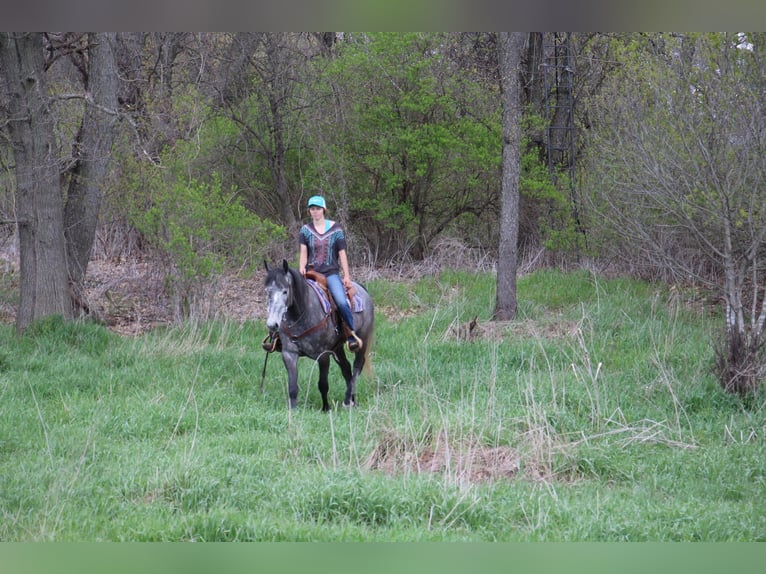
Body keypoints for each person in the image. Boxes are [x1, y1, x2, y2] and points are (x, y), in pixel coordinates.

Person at [298, 195, 363, 351]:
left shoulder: (336, 229)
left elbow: (342, 253)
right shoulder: (305, 230)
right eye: (312, 209)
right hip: (311, 273)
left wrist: (346, 276)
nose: (315, 212)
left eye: (318, 209)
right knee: (289, 297)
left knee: (340, 301)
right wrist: (301, 267)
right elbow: (303, 252)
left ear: (324, 210)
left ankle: (350, 334)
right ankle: (281, 336)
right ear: (309, 211)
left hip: (330, 274)